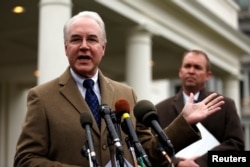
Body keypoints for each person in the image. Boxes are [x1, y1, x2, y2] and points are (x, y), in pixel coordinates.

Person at [14, 12, 224, 167]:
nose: (84, 46)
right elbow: (25, 160)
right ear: (66, 47)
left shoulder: (126, 95)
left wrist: (184, 123)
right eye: (76, 39)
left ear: (103, 48)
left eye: (92, 39)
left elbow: (149, 152)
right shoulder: (42, 98)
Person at [156, 50, 245, 167]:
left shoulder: (225, 105)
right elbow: (153, 149)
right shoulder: (160, 109)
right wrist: (177, 163)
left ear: (208, 75)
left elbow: (237, 147)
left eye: (197, 67)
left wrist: (201, 162)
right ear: (180, 72)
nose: (191, 71)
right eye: (187, 66)